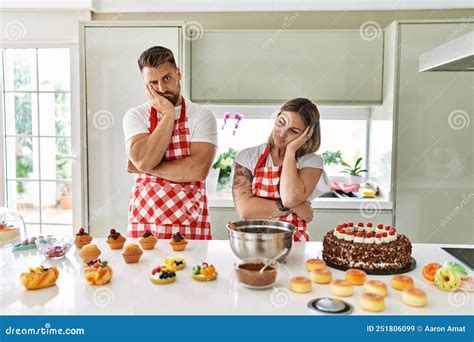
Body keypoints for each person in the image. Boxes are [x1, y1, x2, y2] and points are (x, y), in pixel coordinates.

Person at [123, 46, 218, 239]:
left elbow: (197, 170)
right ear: (145, 85)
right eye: (153, 83)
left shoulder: (202, 116)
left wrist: (146, 168)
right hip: (146, 220)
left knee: (195, 270)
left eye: (167, 78)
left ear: (178, 74)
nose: (161, 88)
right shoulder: (136, 115)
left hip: (189, 222)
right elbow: (143, 160)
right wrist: (168, 115)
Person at [232, 98, 329, 241]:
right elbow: (246, 210)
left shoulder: (311, 162)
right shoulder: (248, 157)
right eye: (281, 123)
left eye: (294, 131)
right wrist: (298, 207)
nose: (282, 133)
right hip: (256, 242)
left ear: (307, 135)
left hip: (294, 244)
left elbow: (291, 198)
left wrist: (290, 151)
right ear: (277, 117)